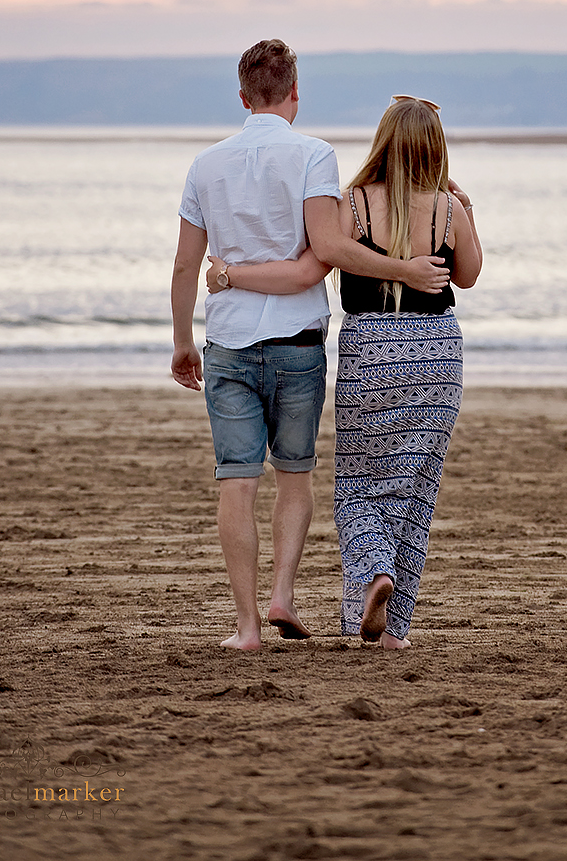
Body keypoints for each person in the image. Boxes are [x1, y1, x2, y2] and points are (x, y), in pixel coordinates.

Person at [170, 42, 452, 651]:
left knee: (236, 481)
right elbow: (315, 262)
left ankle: (247, 628)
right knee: (295, 477)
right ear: (295, 92)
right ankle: (282, 597)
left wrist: (183, 339)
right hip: (298, 344)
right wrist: (406, 267)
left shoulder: (205, 165)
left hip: (227, 343)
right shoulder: (314, 155)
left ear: (243, 98)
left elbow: (185, 267)